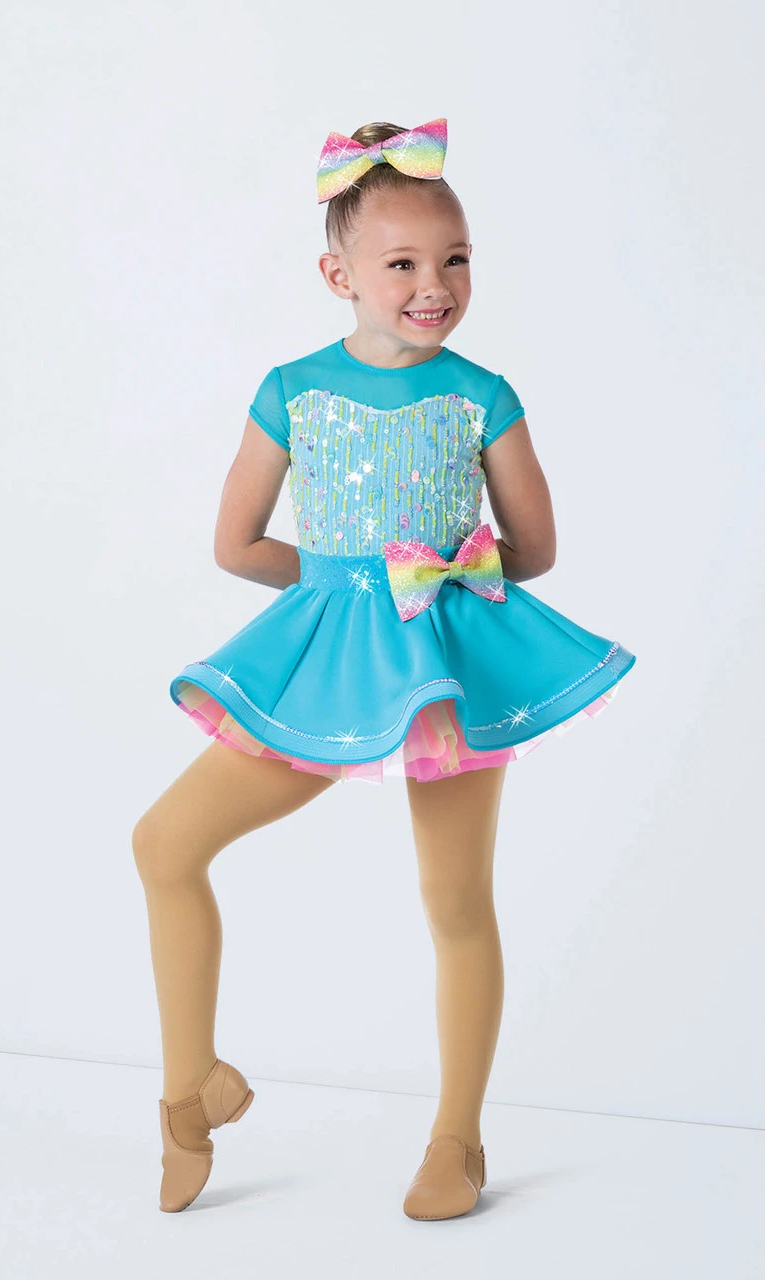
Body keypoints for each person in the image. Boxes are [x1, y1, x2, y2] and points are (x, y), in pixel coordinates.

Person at [132, 116, 636, 1220]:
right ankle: (189, 1089)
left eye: (454, 260)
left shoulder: (483, 394)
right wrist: (341, 589)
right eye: (402, 264)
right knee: (165, 842)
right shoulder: (292, 390)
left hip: (447, 671)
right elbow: (237, 544)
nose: (434, 285)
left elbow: (535, 549)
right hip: (328, 659)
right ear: (339, 276)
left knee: (454, 898)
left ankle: (457, 1137)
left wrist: (443, 576)